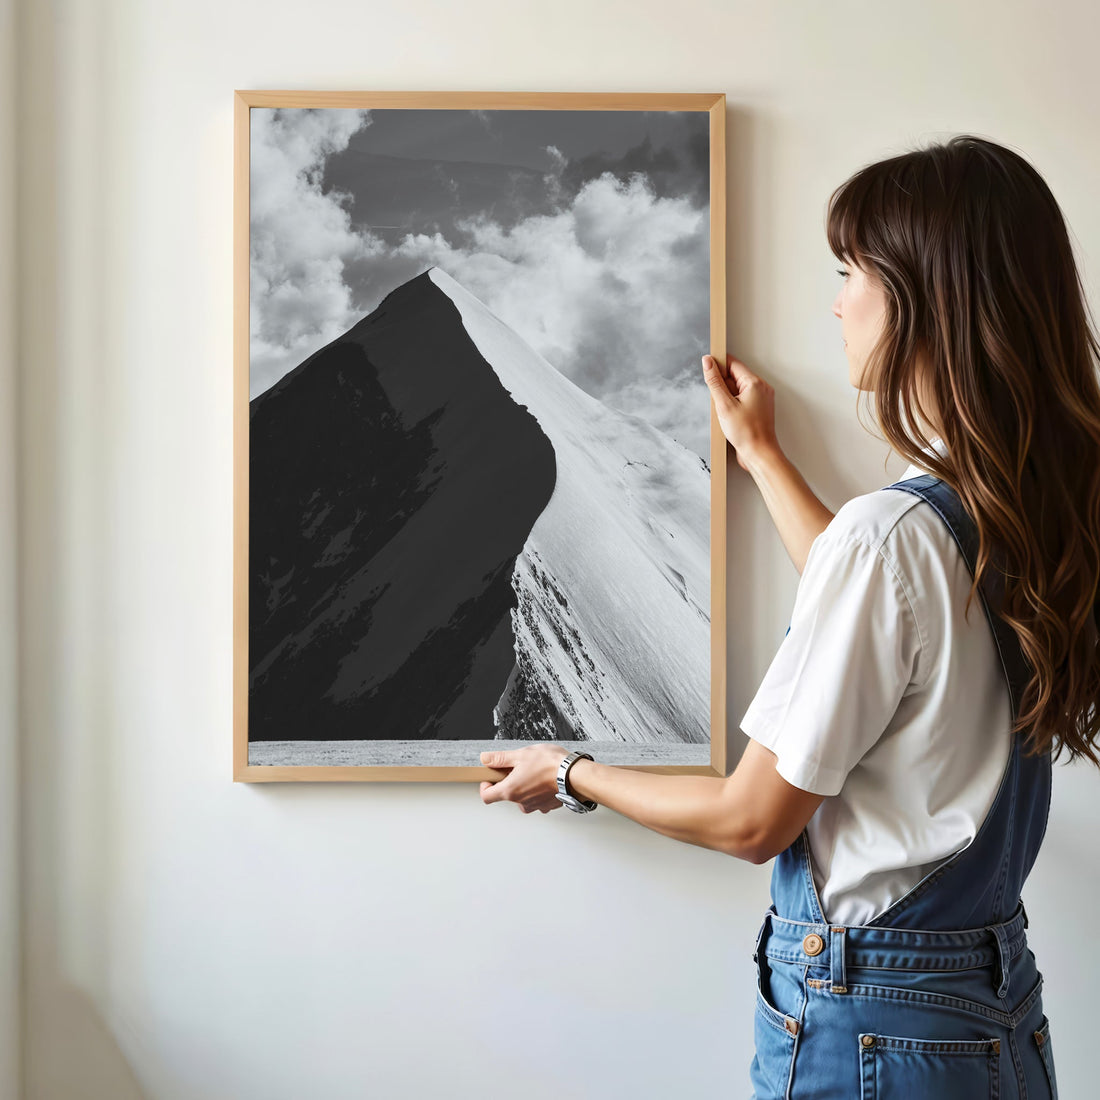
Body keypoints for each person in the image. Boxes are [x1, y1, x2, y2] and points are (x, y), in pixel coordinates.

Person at [477, 134, 1100, 1098]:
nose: (838, 299)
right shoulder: (1018, 509)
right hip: (988, 1011)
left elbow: (750, 819)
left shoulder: (894, 535)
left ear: (925, 299)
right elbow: (890, 624)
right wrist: (764, 457)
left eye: (852, 271)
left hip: (873, 1027)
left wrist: (570, 770)